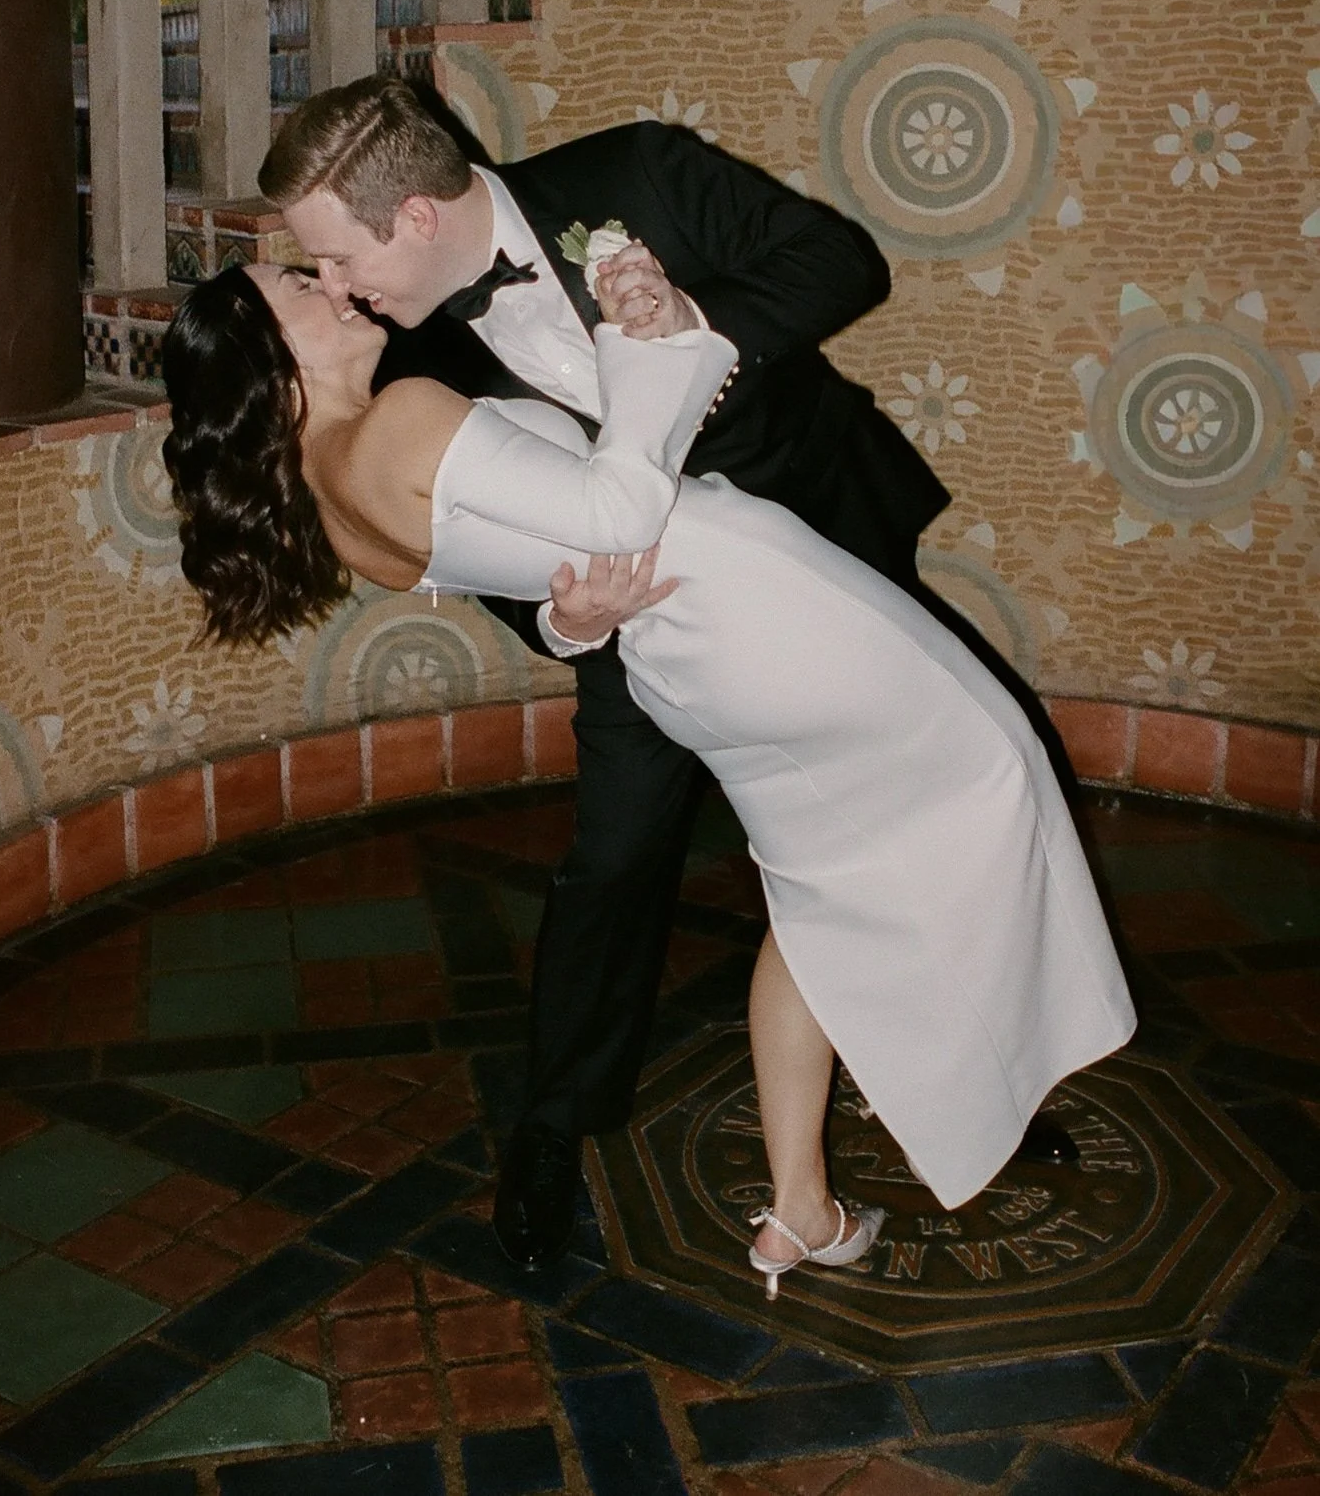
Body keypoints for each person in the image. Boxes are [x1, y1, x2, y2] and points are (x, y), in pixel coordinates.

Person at [160, 257, 1135, 1290]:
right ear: (271, 360)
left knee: (823, 898)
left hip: (689, 654)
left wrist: (563, 623)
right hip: (769, 614)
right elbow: (617, 510)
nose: (330, 282)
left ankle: (800, 1207)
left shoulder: (332, 499)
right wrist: (642, 341)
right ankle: (992, 1070)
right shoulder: (396, 416)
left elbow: (544, 572)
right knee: (995, 768)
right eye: (297, 287)